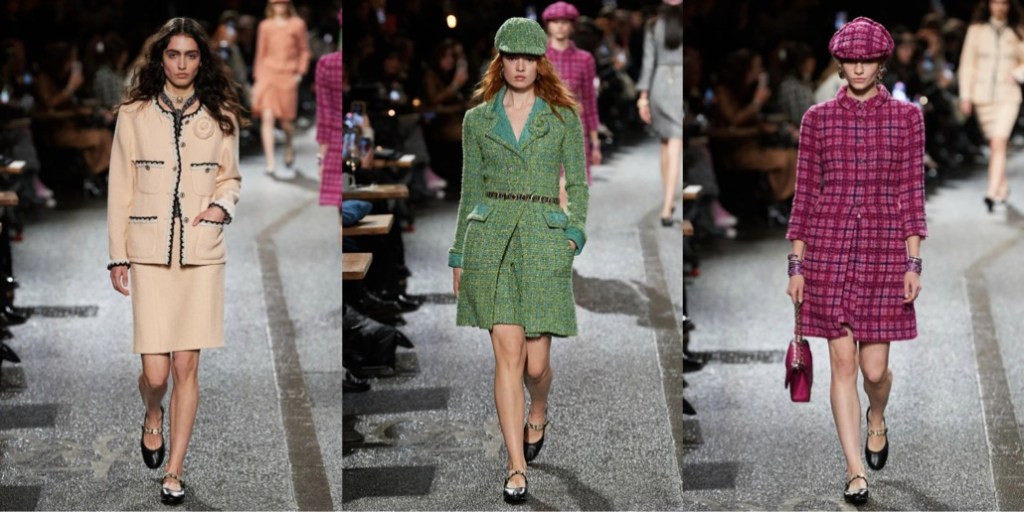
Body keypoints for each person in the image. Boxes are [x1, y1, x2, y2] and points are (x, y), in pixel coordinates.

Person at [785, 17, 926, 505]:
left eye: (867, 60)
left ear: (881, 62)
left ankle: (877, 415)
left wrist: (913, 262)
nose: (859, 68)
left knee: (874, 370)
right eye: (850, 60)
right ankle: (854, 471)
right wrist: (796, 265)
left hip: (885, 247)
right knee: (842, 363)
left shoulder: (907, 118)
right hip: (829, 247)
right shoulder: (817, 119)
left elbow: (911, 191)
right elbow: (805, 193)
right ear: (840, 63)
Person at [448, 17, 588, 504]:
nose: (521, 66)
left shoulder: (563, 117)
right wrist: (459, 253)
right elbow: (469, 190)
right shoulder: (477, 120)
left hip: (544, 237)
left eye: (529, 58)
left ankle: (539, 408)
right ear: (500, 60)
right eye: (512, 57)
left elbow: (579, 183)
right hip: (492, 240)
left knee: (535, 364)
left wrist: (574, 234)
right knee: (507, 356)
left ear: (540, 62)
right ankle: (515, 466)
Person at [106, 17, 244, 505]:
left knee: (186, 366)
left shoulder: (222, 114)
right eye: (173, 55)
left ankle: (175, 469)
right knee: (157, 375)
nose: (182, 64)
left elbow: (230, 178)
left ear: (201, 60)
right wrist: (117, 256)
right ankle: (152, 412)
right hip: (147, 250)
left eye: (190, 55)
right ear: (160, 59)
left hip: (200, 253)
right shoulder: (134, 114)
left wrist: (220, 208)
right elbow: (119, 186)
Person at [958, 0, 1024, 212]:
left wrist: (1016, 74)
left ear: (1009, 6)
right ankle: (1002, 187)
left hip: (1008, 95)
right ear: (988, 5)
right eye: (995, 2)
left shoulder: (1018, 31)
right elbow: (967, 64)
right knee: (995, 145)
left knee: (998, 142)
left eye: (1004, 3)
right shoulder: (976, 31)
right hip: (982, 97)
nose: (999, 7)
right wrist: (966, 96)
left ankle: (991, 192)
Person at [541, 1, 602, 207]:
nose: (560, 26)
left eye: (565, 22)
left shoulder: (585, 59)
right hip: (543, 129)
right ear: (548, 25)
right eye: (555, 21)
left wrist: (595, 142)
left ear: (572, 26)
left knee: (570, 190)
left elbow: (589, 101)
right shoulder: (538, 58)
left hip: (574, 130)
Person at [637, 0, 683, 226]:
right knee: (675, 141)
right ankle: (667, 207)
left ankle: (668, 200)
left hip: (659, 82)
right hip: (680, 82)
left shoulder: (653, 25)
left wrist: (643, 97)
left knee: (666, 142)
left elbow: (648, 62)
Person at [252, 0, 310, 176]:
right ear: (271, 6)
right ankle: (270, 162)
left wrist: (300, 73)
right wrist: (258, 80)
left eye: (283, 3)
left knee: (286, 122)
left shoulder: (297, 24)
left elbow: (304, 50)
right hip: (268, 74)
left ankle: (289, 144)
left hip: (288, 75)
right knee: (267, 117)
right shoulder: (265, 26)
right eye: (277, 3)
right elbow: (261, 53)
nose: (280, 6)